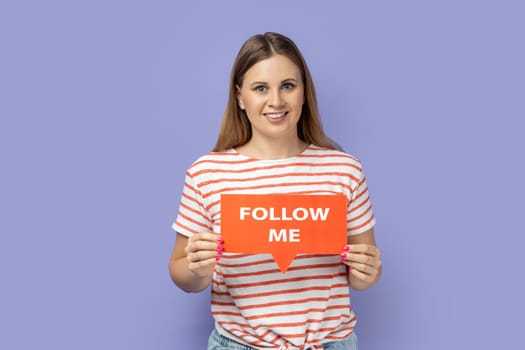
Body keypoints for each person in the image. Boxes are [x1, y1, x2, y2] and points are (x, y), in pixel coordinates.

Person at [169, 32, 382, 350]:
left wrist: (367, 273)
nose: (276, 101)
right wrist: (198, 269)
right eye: (260, 88)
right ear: (240, 97)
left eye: (288, 85)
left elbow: (363, 273)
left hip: (329, 343)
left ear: (304, 93)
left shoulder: (345, 170)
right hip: (240, 344)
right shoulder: (206, 173)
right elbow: (182, 273)